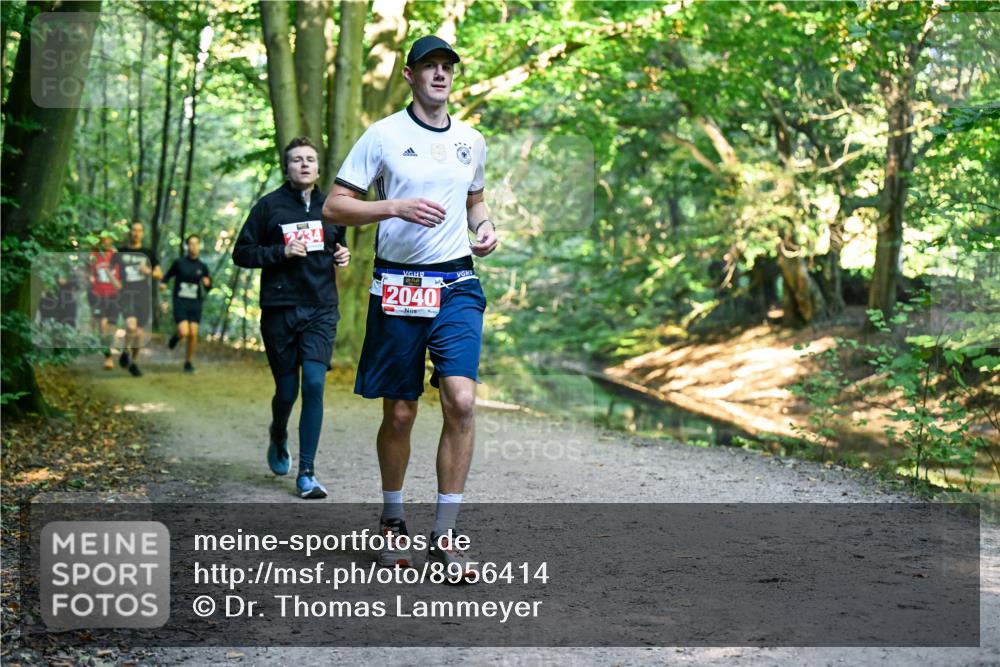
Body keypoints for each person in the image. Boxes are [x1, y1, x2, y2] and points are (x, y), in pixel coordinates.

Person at [323, 35, 498, 574]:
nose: (440, 74)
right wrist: (392, 206)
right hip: (398, 285)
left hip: (456, 284)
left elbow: (475, 199)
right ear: (409, 75)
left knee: (462, 401)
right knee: (399, 412)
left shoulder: (472, 140)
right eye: (429, 66)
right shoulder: (383, 136)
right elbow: (335, 204)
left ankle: (445, 536)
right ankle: (393, 517)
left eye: (447, 66)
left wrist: (485, 227)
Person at [233, 136, 351, 499]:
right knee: (287, 390)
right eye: (297, 159)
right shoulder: (269, 207)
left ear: (318, 168)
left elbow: (337, 244)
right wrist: (279, 252)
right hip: (280, 310)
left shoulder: (332, 206)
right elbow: (242, 253)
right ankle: (278, 432)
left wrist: (341, 255)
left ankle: (307, 474)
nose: (304, 164)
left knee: (314, 383)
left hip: (320, 308)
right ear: (287, 168)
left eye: (310, 159)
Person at [113, 221, 162, 377]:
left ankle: (133, 361)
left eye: (139, 230)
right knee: (131, 326)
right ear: (130, 232)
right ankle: (126, 351)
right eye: (134, 230)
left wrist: (147, 270)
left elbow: (159, 274)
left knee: (139, 333)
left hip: (143, 296)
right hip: (126, 294)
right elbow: (107, 269)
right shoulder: (120, 251)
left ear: (143, 233)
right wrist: (115, 282)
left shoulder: (148, 253)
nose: (136, 233)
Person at [162, 234, 213, 373]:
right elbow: (167, 276)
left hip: (195, 302)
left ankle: (188, 362)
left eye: (196, 243)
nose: (194, 246)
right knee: (184, 332)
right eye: (191, 243)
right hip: (180, 301)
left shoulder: (203, 266)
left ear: (200, 246)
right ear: (186, 246)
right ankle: (176, 337)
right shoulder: (179, 263)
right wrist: (163, 283)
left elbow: (209, 287)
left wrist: (207, 284)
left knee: (193, 332)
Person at [88, 231, 122, 370]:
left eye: (107, 238)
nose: (105, 240)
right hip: (99, 295)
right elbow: (88, 272)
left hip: (114, 295)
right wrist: (89, 278)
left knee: (112, 326)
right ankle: (107, 357)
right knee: (102, 326)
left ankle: (108, 346)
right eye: (102, 238)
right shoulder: (94, 256)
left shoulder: (116, 255)